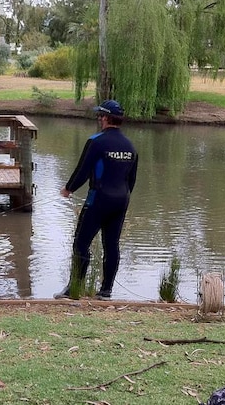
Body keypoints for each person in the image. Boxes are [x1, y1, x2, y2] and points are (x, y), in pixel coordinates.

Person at [55, 100, 138, 300]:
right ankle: (106, 291)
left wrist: (68, 189)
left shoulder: (96, 141)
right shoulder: (130, 146)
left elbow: (83, 170)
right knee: (111, 245)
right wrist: (122, 197)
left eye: (100, 116)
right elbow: (132, 179)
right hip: (121, 200)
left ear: (105, 117)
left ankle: (74, 289)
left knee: (81, 243)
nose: (99, 119)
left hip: (98, 199)